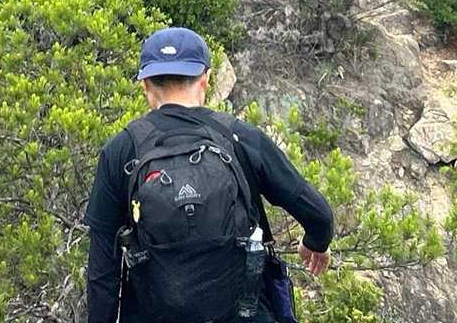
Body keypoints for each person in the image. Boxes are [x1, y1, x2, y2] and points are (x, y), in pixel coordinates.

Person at [86, 26, 334, 323]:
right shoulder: (240, 137)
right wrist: (316, 243)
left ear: (146, 85)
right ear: (205, 77)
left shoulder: (121, 150)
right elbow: (319, 214)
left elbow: (102, 272)